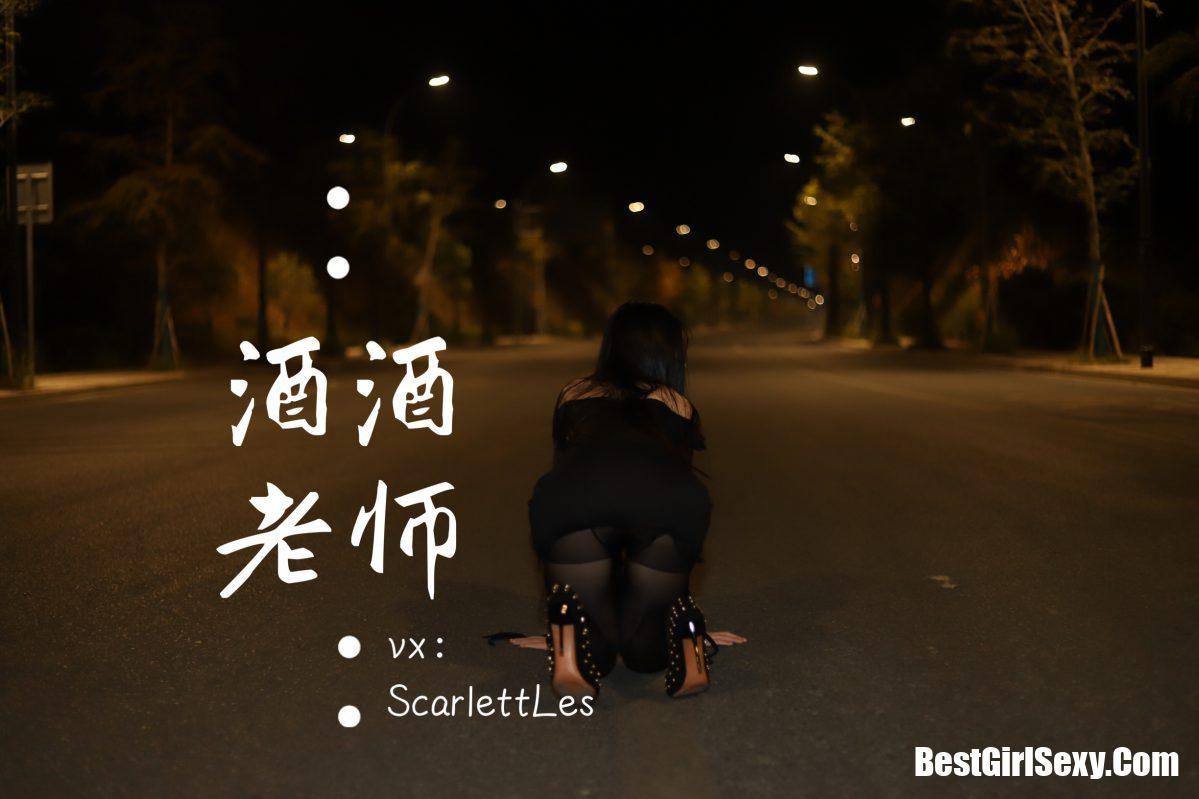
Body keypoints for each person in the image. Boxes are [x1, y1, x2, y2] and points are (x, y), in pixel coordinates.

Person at [516, 302, 744, 699]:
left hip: (574, 499)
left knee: (598, 655)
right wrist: (676, 602)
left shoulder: (574, 392)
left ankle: (568, 631)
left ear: (611, 346)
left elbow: (565, 466)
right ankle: (685, 631)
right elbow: (671, 485)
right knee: (645, 655)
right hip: (664, 502)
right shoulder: (677, 403)